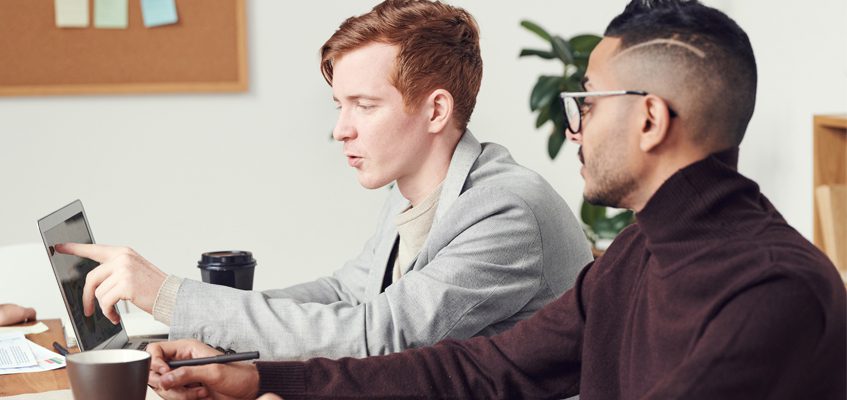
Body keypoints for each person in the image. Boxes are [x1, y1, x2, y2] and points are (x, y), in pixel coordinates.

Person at [146, 0, 847, 399]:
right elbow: (488, 365)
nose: (572, 127)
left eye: (586, 103)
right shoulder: (640, 249)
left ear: (649, 119)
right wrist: (259, 377)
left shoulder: (771, 289)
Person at [55, 0, 592, 361]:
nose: (340, 130)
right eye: (340, 105)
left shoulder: (505, 211)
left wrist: (170, 296)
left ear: (435, 110)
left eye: (364, 105)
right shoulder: (418, 186)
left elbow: (378, 337)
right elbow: (346, 292)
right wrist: (208, 329)